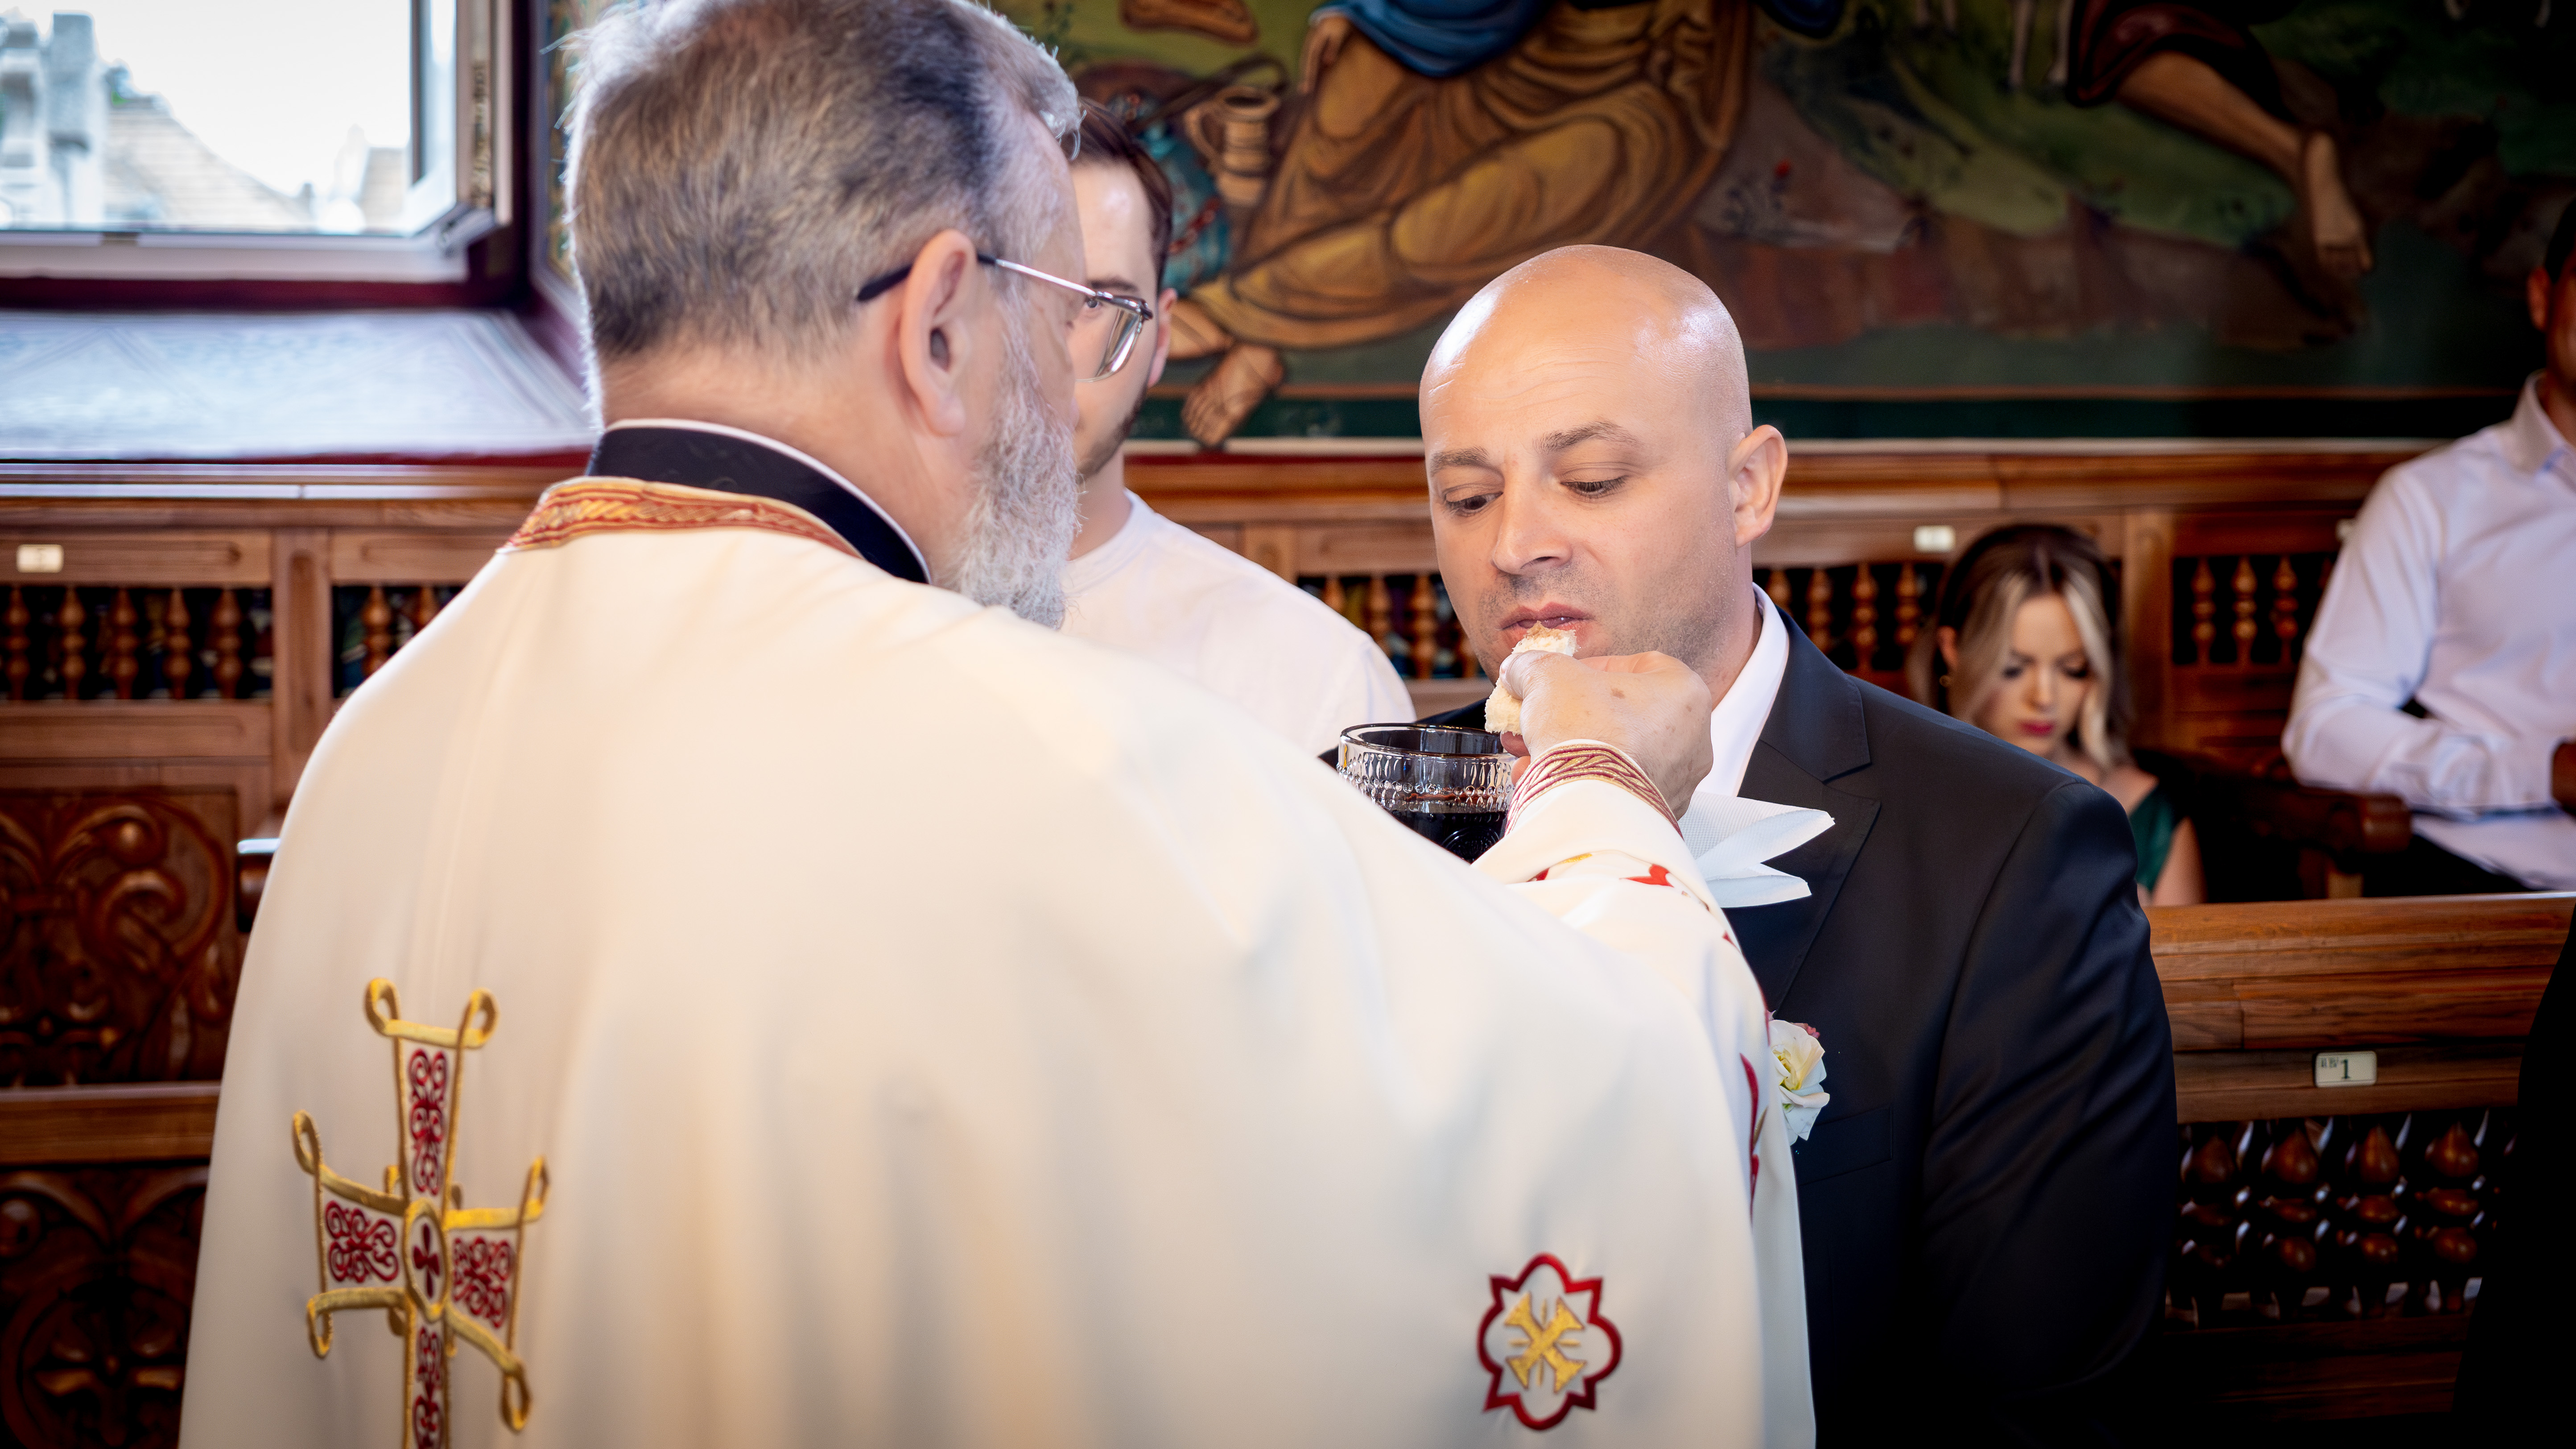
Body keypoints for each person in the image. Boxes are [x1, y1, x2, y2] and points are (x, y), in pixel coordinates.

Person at [177, 3, 1812, 1444]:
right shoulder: (1039, 757)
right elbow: (1593, 1117)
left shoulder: (378, 746)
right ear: (941, 320)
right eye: (1055, 300)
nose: (1067, 368)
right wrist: (1597, 777)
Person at [1415, 244, 2174, 1443]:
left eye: (1593, 480)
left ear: (1749, 487)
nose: (1515, 543)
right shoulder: (1362, 814)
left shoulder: (2007, 859)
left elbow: (2040, 1393)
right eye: (1466, 496)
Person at [1164, 0, 1758, 444]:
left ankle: (1237, 314)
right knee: (1358, 78)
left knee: (1435, 232)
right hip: (1493, 62)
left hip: (1625, 111)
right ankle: (1264, 331)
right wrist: (1363, 11)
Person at [1058, 105, 1412, 755]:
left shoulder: (1315, 681)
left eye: (1094, 303)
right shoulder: (854, 625)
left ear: (1162, 337)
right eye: (1007, 291)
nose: (1044, 350)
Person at [2282, 199, 2576, 894]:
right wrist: (2543, 771)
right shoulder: (2429, 501)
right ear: (2543, 299)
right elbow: (2325, 731)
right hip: (2493, 899)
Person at [1908, 524, 2204, 908]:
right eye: (2013, 669)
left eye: (2073, 668)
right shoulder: (1901, 801)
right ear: (1953, 650)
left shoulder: (2147, 814)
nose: (2044, 698)